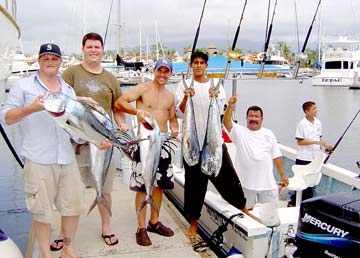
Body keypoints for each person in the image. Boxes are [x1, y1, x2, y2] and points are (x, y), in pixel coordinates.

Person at [0, 43, 85, 258]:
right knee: (41, 212)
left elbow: (74, 127)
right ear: (39, 61)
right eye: (45, 57)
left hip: (66, 157)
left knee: (72, 207)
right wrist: (31, 108)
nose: (50, 61)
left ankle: (67, 248)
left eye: (54, 58)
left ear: (60, 61)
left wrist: (93, 139)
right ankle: (46, 254)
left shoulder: (67, 90)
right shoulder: (23, 86)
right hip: (38, 159)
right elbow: (7, 118)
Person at [51, 32, 126, 249]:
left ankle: (106, 227)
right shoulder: (71, 73)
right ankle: (64, 234)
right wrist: (79, 98)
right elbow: (58, 97)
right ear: (83, 49)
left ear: (103, 50)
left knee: (105, 188)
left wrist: (121, 124)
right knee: (68, 190)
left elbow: (117, 109)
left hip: (104, 144)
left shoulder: (111, 79)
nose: (93, 51)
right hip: (76, 144)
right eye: (89, 47)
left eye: (97, 47)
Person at [175, 51, 260, 240]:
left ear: (206, 66)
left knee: (229, 177)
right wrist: (186, 98)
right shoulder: (182, 85)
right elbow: (180, 113)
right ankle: (193, 223)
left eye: (202, 63)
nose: (198, 65)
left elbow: (220, 112)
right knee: (194, 185)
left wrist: (220, 99)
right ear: (191, 65)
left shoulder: (217, 86)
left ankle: (243, 208)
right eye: (195, 62)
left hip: (214, 141)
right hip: (192, 143)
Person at [113, 58, 179, 246]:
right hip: (144, 143)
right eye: (160, 70)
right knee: (142, 187)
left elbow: (172, 119)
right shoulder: (143, 88)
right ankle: (141, 228)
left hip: (163, 144)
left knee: (159, 186)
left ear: (170, 74)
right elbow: (120, 102)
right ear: (154, 71)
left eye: (166, 71)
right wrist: (137, 113)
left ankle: (154, 222)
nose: (162, 75)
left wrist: (175, 128)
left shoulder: (170, 96)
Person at [223, 95, 289, 209]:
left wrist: (282, 174)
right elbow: (226, 121)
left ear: (262, 119)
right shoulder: (239, 131)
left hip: (267, 184)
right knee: (245, 212)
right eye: (251, 116)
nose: (253, 118)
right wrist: (230, 106)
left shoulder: (269, 134)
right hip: (245, 185)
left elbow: (276, 156)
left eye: (256, 116)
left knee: (271, 214)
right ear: (246, 118)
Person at [288, 101, 333, 206]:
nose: (316, 111)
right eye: (313, 109)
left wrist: (327, 145)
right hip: (304, 157)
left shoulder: (318, 123)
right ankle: (295, 201)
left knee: (311, 183)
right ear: (306, 111)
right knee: (302, 182)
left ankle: (307, 204)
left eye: (316, 108)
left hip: (315, 158)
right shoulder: (301, 124)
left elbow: (319, 138)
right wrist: (316, 142)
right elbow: (300, 141)